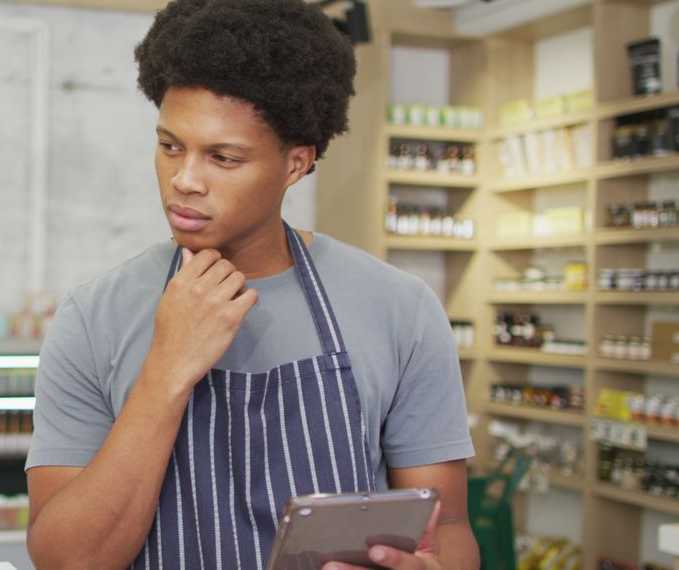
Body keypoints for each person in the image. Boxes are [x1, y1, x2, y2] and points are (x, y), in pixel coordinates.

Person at [24, 0, 478, 568]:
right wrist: (167, 369)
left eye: (224, 157)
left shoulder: (399, 309)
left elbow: (449, 524)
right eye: (170, 146)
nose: (184, 180)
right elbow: (65, 560)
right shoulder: (94, 316)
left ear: (296, 163)